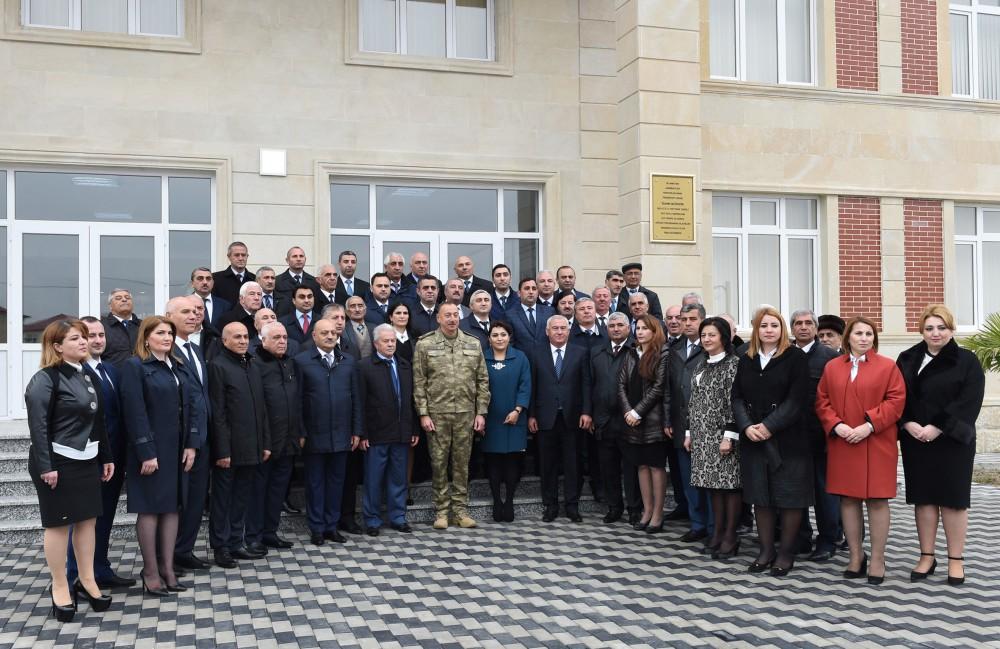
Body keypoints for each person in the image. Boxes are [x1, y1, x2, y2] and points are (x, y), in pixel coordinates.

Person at [26, 320, 114, 622]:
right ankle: (60, 584)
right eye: (76, 338)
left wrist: (106, 456)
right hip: (56, 462)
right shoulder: (45, 379)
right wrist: (47, 467)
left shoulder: (89, 374)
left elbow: (99, 420)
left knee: (87, 521)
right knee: (59, 525)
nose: (84, 342)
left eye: (85, 337)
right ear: (57, 346)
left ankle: (86, 580)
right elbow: (38, 428)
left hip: (86, 459)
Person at [896, 305, 985, 586]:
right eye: (929, 328)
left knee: (953, 501)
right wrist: (906, 423)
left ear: (951, 329)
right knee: (923, 499)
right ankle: (926, 555)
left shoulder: (967, 360)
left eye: (941, 327)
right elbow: (897, 396)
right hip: (916, 439)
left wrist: (938, 427)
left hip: (952, 441)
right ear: (921, 330)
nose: (935, 333)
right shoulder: (907, 358)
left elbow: (969, 400)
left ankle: (956, 560)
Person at [816, 316, 906, 585]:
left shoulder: (888, 367)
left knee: (878, 499)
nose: (864, 338)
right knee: (849, 499)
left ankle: (877, 558)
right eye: (859, 333)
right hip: (843, 441)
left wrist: (869, 425)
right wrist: (836, 426)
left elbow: (896, 400)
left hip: (876, 442)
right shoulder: (832, 367)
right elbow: (822, 401)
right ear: (848, 338)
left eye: (869, 333)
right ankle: (856, 556)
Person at [119, 316, 196, 597]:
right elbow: (134, 411)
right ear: (146, 336)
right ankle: (150, 572)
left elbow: (189, 406)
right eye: (160, 333)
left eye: (170, 333)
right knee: (151, 508)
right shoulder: (135, 366)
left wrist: (191, 444)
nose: (167, 337)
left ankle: (168, 569)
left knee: (172, 507)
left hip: (177, 448)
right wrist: (146, 452)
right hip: (151, 449)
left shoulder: (177, 365)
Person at [731, 307, 811, 577]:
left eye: (774, 325)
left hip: (788, 439)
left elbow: (797, 399)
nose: (769, 330)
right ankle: (765, 551)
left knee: (789, 497)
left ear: (782, 330)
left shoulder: (795, 357)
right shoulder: (746, 358)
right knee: (761, 497)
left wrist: (769, 426)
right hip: (753, 437)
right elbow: (737, 397)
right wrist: (746, 426)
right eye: (763, 325)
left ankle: (786, 554)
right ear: (756, 330)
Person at [65, 317, 134, 589]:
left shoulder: (112, 370)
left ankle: (100, 569)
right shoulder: (73, 373)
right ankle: (75, 576)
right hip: (87, 459)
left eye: (100, 335)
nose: (96, 340)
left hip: (113, 458)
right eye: (89, 335)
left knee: (104, 518)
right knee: (83, 521)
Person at [413, 303, 490, 529]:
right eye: (447, 315)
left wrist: (481, 412)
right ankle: (441, 511)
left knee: (461, 464)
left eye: (455, 315)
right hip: (437, 415)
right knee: (438, 463)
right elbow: (419, 382)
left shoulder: (472, 343)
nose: (452, 319)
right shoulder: (425, 344)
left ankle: (460, 510)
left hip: (466, 414)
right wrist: (423, 413)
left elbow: (482, 381)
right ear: (438, 318)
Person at [208, 323, 271, 568]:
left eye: (246, 336)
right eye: (237, 337)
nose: (243, 341)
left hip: (252, 446)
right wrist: (222, 450)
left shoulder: (253, 365)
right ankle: (221, 546)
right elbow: (218, 412)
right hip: (229, 450)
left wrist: (265, 443)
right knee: (223, 499)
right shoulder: (218, 366)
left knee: (242, 497)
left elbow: (262, 408)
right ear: (225, 341)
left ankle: (236, 542)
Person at [295, 319, 362, 545]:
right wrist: (301, 432)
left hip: (342, 435)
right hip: (315, 435)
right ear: (314, 336)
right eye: (324, 333)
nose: (330, 336)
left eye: (333, 333)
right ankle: (316, 528)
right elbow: (298, 402)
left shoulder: (348, 362)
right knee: (315, 483)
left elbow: (356, 399)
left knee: (336, 483)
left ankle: (331, 526)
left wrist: (356, 430)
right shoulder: (302, 362)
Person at [789, 309, 842, 562]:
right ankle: (800, 537)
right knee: (794, 489)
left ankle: (828, 539)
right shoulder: (783, 354)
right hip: (790, 435)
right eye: (798, 323)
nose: (803, 327)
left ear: (815, 327)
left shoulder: (830, 358)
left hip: (820, 435)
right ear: (792, 328)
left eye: (808, 323)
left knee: (824, 491)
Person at [686, 317, 742, 558]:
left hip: (723, 436)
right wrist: (689, 432)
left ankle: (731, 535)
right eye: (704, 335)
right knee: (713, 488)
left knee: (729, 488)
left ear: (723, 337)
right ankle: (717, 532)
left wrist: (729, 436)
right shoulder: (701, 364)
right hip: (702, 436)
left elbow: (735, 402)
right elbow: (694, 400)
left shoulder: (733, 364)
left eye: (712, 335)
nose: (707, 339)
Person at [164, 297, 212, 573]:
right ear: (168, 315)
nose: (194, 316)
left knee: (195, 499)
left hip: (202, 437)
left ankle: (184, 550)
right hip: (179, 440)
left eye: (196, 311)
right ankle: (167, 555)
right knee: (177, 501)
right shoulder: (165, 350)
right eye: (185, 312)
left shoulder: (195, 348)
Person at [529, 315, 593, 523]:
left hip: (573, 417)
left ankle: (572, 506)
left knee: (572, 464)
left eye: (563, 328)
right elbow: (532, 386)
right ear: (547, 331)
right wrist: (531, 414)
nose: (559, 332)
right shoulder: (536, 353)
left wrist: (586, 411)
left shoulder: (580, 353)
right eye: (554, 328)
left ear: (568, 330)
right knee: (548, 464)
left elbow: (586, 384)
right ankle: (551, 505)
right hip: (545, 416)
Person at [358, 325, 419, 535]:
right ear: (376, 344)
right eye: (386, 341)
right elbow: (360, 402)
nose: (391, 344)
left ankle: (398, 517)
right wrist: (363, 433)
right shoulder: (365, 367)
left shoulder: (404, 365)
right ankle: (372, 520)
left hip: (401, 433)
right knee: (374, 480)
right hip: (376, 434)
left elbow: (411, 400)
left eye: (393, 340)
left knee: (398, 478)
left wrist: (414, 429)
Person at [248, 322, 301, 552]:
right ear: (263, 340)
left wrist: (300, 433)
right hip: (265, 443)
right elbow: (257, 407)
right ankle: (253, 536)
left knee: (278, 491)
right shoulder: (255, 364)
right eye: (277, 337)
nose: (282, 341)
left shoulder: (289, 362)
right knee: (258, 492)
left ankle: (270, 532)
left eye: (285, 337)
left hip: (288, 440)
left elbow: (297, 401)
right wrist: (264, 441)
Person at [616, 315, 669, 533]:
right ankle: (646, 511)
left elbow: (658, 387)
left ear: (654, 331)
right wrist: (628, 411)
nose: (640, 332)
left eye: (645, 329)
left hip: (653, 421)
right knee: (641, 465)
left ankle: (658, 514)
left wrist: (637, 412)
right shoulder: (630, 353)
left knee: (656, 466)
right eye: (638, 328)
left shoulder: (663, 354)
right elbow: (620, 384)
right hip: (632, 421)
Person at [665, 303, 710, 542]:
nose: (688, 323)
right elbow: (668, 389)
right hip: (680, 424)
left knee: (708, 480)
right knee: (687, 477)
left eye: (693, 319)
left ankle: (714, 527)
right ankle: (697, 524)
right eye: (684, 319)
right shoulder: (674, 349)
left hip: (706, 425)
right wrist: (667, 419)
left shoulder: (711, 347)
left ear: (702, 320)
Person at [590, 312, 641, 524]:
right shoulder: (596, 352)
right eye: (612, 325)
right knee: (608, 467)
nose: (616, 328)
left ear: (629, 328)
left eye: (621, 325)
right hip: (604, 420)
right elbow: (589, 384)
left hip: (629, 420)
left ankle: (635, 509)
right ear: (606, 328)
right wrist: (589, 413)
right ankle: (614, 507)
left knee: (631, 468)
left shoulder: (636, 352)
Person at [481, 321, 532, 523]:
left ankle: (509, 501)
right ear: (489, 338)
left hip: (514, 418)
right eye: (495, 335)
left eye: (503, 334)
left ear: (509, 337)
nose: (499, 338)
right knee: (493, 462)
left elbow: (525, 385)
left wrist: (518, 409)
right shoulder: (481, 358)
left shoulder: (520, 357)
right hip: (490, 419)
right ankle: (496, 501)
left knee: (512, 462)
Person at [509, 277, 553, 352]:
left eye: (534, 289)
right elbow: (510, 343)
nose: (531, 292)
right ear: (519, 293)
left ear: (538, 293)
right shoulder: (510, 315)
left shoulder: (549, 312)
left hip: (546, 360)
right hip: (522, 361)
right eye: (527, 288)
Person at [274, 246, 320, 315]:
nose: (298, 259)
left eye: (301, 256)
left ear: (305, 259)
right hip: (285, 321)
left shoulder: (313, 281)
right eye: (294, 256)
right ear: (287, 260)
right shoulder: (277, 281)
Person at [101, 289, 141, 368]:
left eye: (127, 297)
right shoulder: (102, 326)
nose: (124, 299)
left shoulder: (143, 325)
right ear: (110, 306)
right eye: (118, 298)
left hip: (144, 376)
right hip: (114, 377)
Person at [212, 241, 256, 306]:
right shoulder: (215, 278)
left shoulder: (254, 279)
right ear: (229, 257)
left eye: (243, 255)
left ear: (247, 257)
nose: (240, 258)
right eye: (237, 255)